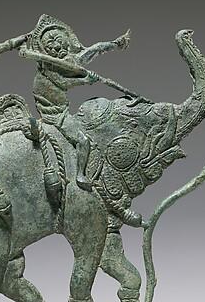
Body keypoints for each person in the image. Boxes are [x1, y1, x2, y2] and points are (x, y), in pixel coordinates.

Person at [24, 14, 130, 191]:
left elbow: (94, 49)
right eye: (51, 47)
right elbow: (63, 83)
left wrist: (115, 44)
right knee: (83, 140)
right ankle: (80, 175)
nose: (57, 47)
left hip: (62, 107)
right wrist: (85, 80)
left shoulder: (69, 60)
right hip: (54, 113)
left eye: (60, 42)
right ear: (45, 51)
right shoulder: (48, 68)